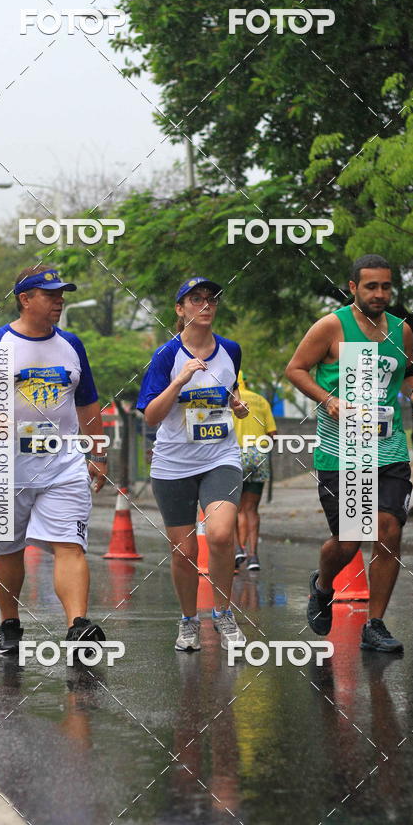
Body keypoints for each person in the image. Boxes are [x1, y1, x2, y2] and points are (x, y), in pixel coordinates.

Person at [285, 254, 413, 653]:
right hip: (342, 452)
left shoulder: (401, 331)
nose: (380, 294)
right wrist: (328, 399)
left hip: (389, 448)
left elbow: (409, 368)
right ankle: (322, 586)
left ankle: (375, 624)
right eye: (371, 287)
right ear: (353, 287)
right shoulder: (332, 326)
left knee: (388, 531)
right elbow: (295, 369)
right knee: (349, 541)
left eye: (386, 286)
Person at [0, 265, 108, 658]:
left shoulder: (72, 344)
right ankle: (9, 621)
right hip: (5, 467)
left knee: (70, 545)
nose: (59, 300)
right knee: (7, 550)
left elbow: (88, 403)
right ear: (25, 299)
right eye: (50, 294)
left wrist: (98, 452)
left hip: (63, 464)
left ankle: (78, 626)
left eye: (62, 294)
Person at [137, 276, 249, 654]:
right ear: (180, 309)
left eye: (211, 299)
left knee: (219, 535)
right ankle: (188, 620)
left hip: (221, 456)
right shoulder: (166, 356)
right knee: (184, 552)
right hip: (173, 464)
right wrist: (180, 380)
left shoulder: (231, 350)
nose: (205, 305)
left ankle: (223, 613)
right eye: (196, 299)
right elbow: (151, 416)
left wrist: (235, 404)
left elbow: (229, 390)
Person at [233, 372, 277, 571]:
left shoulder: (226, 399)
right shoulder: (260, 400)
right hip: (258, 454)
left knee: (230, 508)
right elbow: (273, 434)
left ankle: (236, 549)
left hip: (233, 455)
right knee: (251, 509)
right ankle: (253, 557)